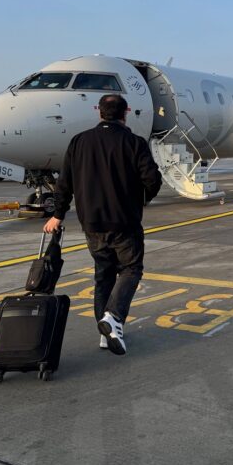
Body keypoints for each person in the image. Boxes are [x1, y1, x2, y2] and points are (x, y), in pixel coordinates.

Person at [44, 94, 162, 355]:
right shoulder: (134, 142)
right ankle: (113, 317)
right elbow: (152, 179)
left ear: (99, 112)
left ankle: (104, 332)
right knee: (131, 269)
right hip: (124, 222)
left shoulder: (79, 141)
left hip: (92, 224)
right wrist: (140, 200)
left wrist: (58, 214)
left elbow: (65, 183)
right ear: (126, 113)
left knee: (103, 274)